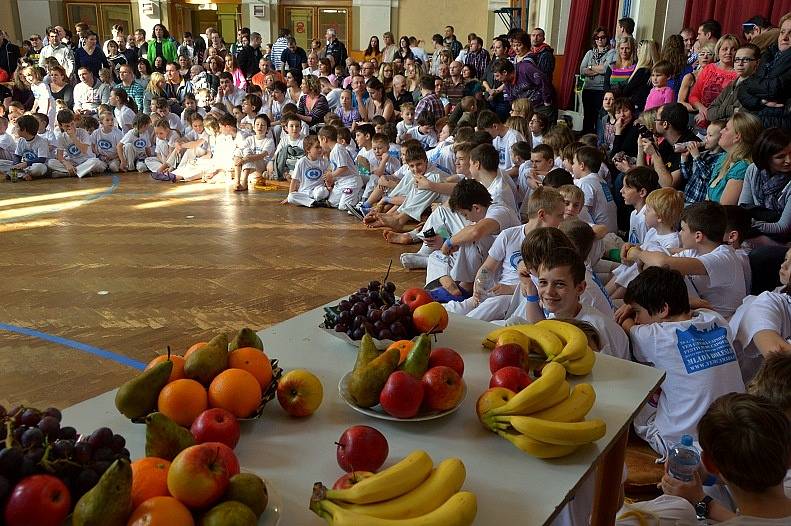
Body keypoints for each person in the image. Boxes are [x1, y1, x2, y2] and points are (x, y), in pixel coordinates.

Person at [617, 266, 744, 458]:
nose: (637, 318)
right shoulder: (716, 320)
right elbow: (702, 305)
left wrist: (627, 310)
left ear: (662, 309)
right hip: (734, 433)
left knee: (637, 381)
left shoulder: (655, 336)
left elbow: (626, 324)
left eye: (637, 312)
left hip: (681, 445)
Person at [448, 187, 564, 320]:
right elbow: (487, 268)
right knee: (459, 308)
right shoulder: (509, 235)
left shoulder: (554, 244)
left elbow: (544, 284)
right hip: (497, 291)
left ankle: (461, 328)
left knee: (493, 306)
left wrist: (510, 289)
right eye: (559, 216)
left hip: (523, 297)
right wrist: (479, 286)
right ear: (542, 215)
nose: (562, 220)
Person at [624, 202, 747, 319]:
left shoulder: (724, 257)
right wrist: (639, 256)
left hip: (718, 321)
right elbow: (656, 269)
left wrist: (638, 253)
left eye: (682, 229)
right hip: (697, 311)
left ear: (698, 236)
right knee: (653, 254)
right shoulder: (694, 251)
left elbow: (663, 263)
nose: (680, 234)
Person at [607, 187, 683, 298]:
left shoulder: (672, 241)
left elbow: (658, 271)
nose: (644, 214)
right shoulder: (652, 231)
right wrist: (631, 246)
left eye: (647, 211)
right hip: (634, 270)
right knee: (620, 274)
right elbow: (643, 247)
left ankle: (608, 301)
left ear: (659, 217)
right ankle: (604, 296)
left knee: (627, 277)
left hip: (645, 280)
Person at [738, 13, 791, 129]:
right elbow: (741, 91)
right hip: (757, 120)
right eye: (782, 32)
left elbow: (774, 88)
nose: (784, 37)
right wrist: (761, 101)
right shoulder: (768, 55)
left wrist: (748, 84)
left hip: (778, 128)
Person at [738, 128, 791, 240]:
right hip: (756, 230)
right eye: (780, 156)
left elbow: (783, 227)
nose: (789, 160)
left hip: (783, 237)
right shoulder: (753, 170)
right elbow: (743, 208)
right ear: (766, 157)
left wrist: (753, 225)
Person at [639, 102, 699, 188]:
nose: (654, 123)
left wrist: (655, 154)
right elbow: (642, 175)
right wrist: (641, 148)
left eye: (656, 119)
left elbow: (668, 186)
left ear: (665, 124)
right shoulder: (668, 142)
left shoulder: (688, 146)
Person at [707, 112, 762, 205]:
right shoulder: (724, 157)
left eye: (726, 129)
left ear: (737, 137)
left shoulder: (742, 167)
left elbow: (724, 210)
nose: (721, 131)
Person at [689, 34, 740, 129]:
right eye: (725, 49)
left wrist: (710, 114)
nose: (728, 52)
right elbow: (694, 96)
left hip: (724, 124)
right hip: (702, 120)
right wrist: (702, 109)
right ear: (718, 51)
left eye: (733, 49)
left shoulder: (738, 75)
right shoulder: (709, 68)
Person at [707, 43, 761, 122]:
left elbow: (742, 118)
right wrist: (732, 110)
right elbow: (710, 113)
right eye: (737, 60)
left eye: (746, 60)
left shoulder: (758, 87)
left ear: (757, 63)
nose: (740, 64)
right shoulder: (732, 84)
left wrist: (720, 114)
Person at [679, 120, 726, 204]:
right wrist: (684, 158)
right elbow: (686, 176)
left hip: (698, 203)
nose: (705, 138)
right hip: (687, 197)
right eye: (706, 134)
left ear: (721, 138)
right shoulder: (703, 154)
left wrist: (697, 157)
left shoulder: (722, 158)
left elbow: (708, 177)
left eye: (710, 135)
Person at [572, 146, 617, 232]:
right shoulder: (601, 180)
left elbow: (582, 212)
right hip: (611, 232)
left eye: (574, 163)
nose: (572, 166)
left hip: (601, 234)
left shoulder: (585, 183)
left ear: (582, 166)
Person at [579, 27, 614, 134]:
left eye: (602, 37)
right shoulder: (590, 53)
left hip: (601, 90)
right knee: (588, 117)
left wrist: (590, 67)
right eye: (597, 37)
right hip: (588, 88)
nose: (599, 40)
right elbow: (582, 70)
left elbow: (605, 69)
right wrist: (597, 68)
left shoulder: (611, 52)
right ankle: (586, 140)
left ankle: (599, 143)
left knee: (600, 118)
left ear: (607, 39)